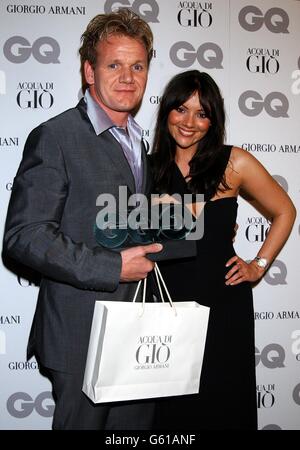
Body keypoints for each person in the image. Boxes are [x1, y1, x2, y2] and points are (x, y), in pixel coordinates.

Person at [3, 9, 163, 430]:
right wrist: (113, 267)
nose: (128, 77)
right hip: (80, 335)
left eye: (138, 66)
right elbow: (24, 236)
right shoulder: (55, 136)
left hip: (137, 334)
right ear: (89, 71)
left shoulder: (139, 142)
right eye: (114, 65)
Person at [149, 70, 296, 430]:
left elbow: (285, 211)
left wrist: (258, 265)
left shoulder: (234, 163)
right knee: (169, 415)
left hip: (223, 305)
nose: (189, 123)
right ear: (166, 110)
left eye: (202, 113)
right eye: (181, 109)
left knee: (222, 406)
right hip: (166, 307)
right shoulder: (146, 168)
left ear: (213, 120)